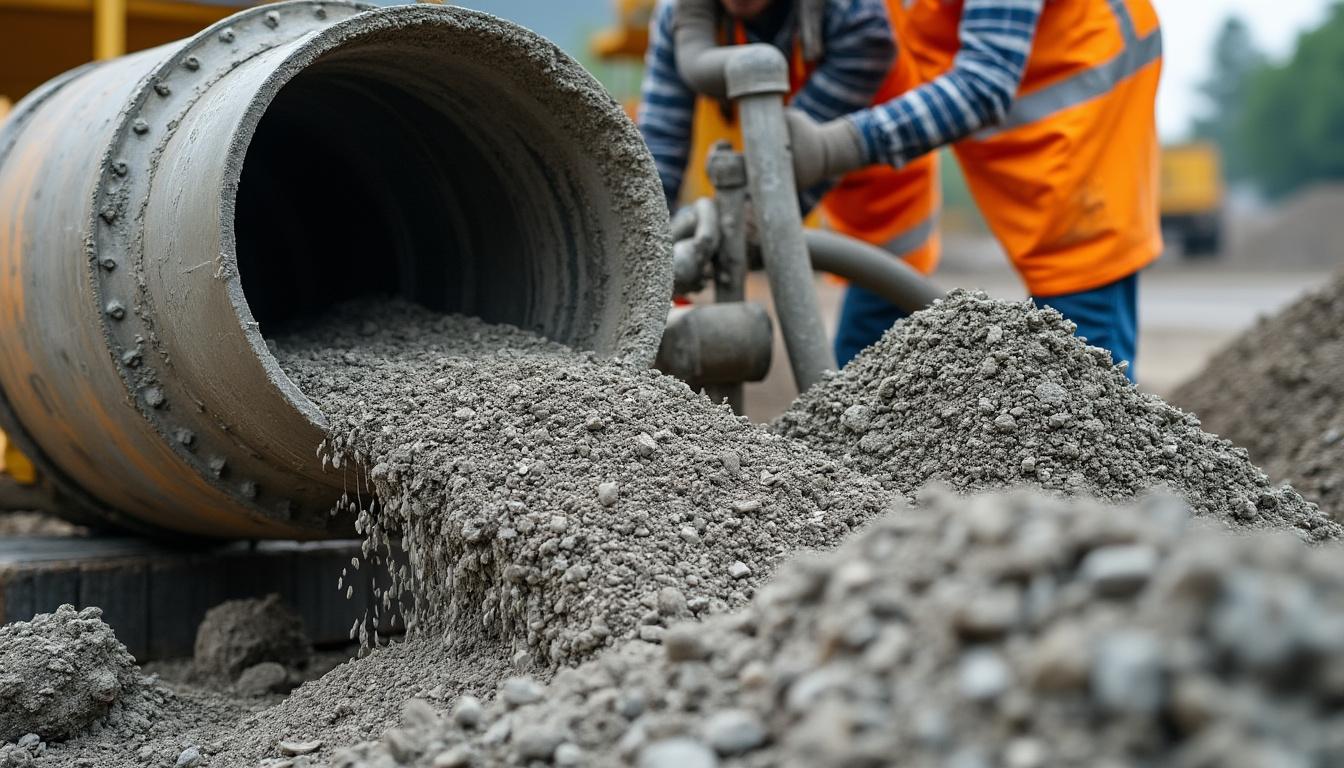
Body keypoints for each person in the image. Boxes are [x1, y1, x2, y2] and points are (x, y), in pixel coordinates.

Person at [787, 0, 1163, 376]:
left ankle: (1092, 421)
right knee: (881, 258)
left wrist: (836, 145)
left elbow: (985, 82)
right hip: (932, 76)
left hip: (1078, 95)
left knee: (1077, 319)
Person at [638, 0, 945, 298]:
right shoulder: (679, 15)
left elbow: (794, 164)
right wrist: (646, 246)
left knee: (867, 342)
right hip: (816, 188)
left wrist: (729, 226)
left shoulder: (854, 16)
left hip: (884, 204)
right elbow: (659, 151)